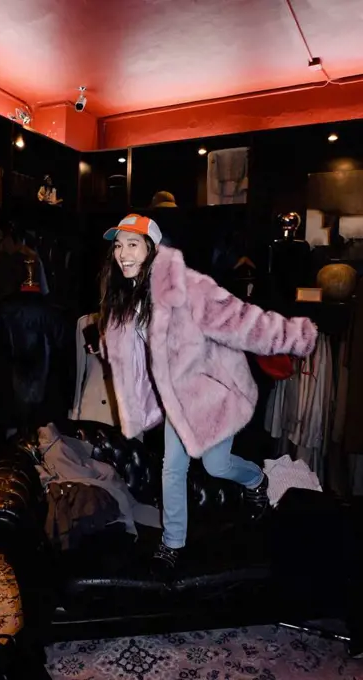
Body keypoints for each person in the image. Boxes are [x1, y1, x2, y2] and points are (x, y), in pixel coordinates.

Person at [98, 213, 318, 574]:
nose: (122, 253)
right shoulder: (128, 300)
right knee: (173, 468)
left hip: (212, 394)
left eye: (132, 244)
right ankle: (172, 545)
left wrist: (297, 337)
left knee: (216, 465)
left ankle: (256, 480)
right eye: (118, 246)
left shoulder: (188, 288)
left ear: (153, 249)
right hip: (176, 401)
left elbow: (243, 319)